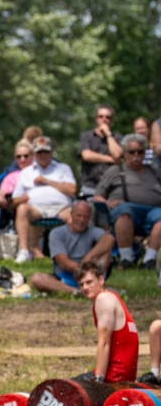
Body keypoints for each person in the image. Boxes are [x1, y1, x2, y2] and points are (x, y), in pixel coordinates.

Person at [93, 133, 161, 270]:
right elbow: (97, 196)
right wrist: (107, 203)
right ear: (124, 153)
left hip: (153, 211)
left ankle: (149, 260)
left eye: (140, 152)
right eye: (132, 152)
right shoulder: (115, 170)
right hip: (126, 210)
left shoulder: (155, 172)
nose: (136, 155)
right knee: (124, 211)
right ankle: (126, 258)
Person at [12, 136, 77, 263]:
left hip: (61, 208)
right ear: (34, 154)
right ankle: (24, 251)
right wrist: (21, 199)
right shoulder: (26, 172)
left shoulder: (63, 168)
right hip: (35, 209)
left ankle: (73, 252)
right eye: (39, 152)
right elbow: (14, 201)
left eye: (46, 152)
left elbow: (72, 191)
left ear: (51, 152)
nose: (43, 155)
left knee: (75, 214)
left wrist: (47, 181)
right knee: (22, 209)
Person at [72, 261, 137, 384]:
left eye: (89, 282)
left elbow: (104, 342)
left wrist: (99, 380)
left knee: (59, 390)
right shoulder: (112, 296)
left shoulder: (103, 299)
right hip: (124, 375)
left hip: (114, 377)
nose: (85, 287)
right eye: (81, 284)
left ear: (101, 280)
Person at [29, 200, 114, 295]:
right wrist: (82, 269)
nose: (81, 220)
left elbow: (109, 239)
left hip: (89, 274)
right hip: (64, 276)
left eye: (85, 217)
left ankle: (92, 284)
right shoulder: (57, 233)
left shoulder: (92, 231)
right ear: (71, 214)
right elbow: (63, 262)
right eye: (79, 215)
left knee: (107, 250)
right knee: (36, 279)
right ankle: (76, 292)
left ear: (89, 218)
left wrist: (89, 257)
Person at [78, 105, 122, 197]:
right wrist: (112, 160)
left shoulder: (117, 138)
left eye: (107, 117)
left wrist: (108, 135)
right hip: (90, 186)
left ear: (112, 120)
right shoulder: (87, 136)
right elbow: (86, 156)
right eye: (101, 116)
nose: (104, 119)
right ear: (96, 119)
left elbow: (117, 155)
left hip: (111, 187)